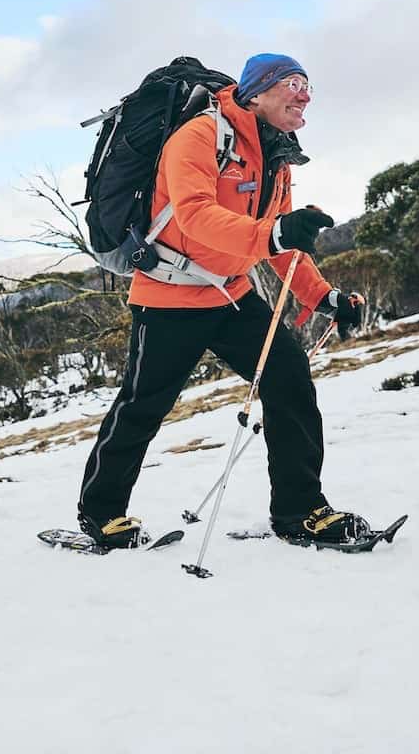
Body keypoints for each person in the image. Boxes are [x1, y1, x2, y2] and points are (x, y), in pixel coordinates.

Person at [76, 53, 369, 549]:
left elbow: (277, 243)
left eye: (308, 86)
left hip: (231, 294)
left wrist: (325, 297)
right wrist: (275, 233)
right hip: (168, 295)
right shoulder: (198, 137)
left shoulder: (276, 154)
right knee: (143, 407)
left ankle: (301, 512)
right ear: (257, 92)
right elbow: (194, 216)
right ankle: (101, 515)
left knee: (290, 379)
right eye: (293, 84)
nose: (305, 95)